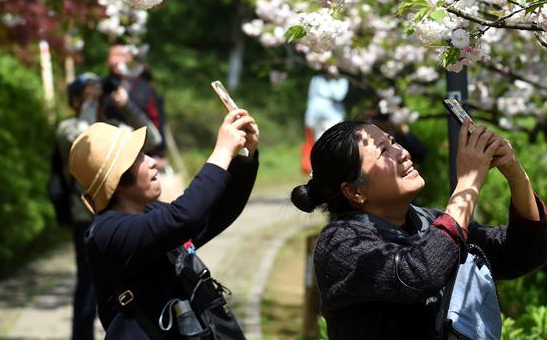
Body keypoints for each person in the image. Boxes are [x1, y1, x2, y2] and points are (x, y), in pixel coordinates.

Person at [291, 117, 547, 339]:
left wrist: (515, 174)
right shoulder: (340, 244)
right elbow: (418, 272)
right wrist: (467, 185)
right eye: (383, 151)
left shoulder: (428, 222)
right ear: (355, 191)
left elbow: (522, 253)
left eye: (393, 142)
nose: (402, 152)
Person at [68, 108, 259, 338]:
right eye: (138, 157)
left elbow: (211, 216)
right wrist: (222, 151)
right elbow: (184, 217)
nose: (151, 162)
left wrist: (243, 159)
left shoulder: (151, 211)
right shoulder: (107, 232)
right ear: (116, 180)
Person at [54, 73, 102, 340]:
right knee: (88, 283)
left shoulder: (110, 123)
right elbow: (83, 144)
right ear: (75, 99)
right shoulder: (67, 127)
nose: (95, 95)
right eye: (89, 91)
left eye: (97, 90)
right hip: (84, 213)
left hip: (116, 213)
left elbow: (152, 140)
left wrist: (125, 104)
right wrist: (88, 109)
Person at [304, 74, 349, 141]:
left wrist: (332, 79)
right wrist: (309, 118)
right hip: (318, 116)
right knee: (318, 140)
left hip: (334, 117)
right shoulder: (317, 79)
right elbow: (311, 98)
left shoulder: (342, 81)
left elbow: (339, 96)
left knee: (334, 140)